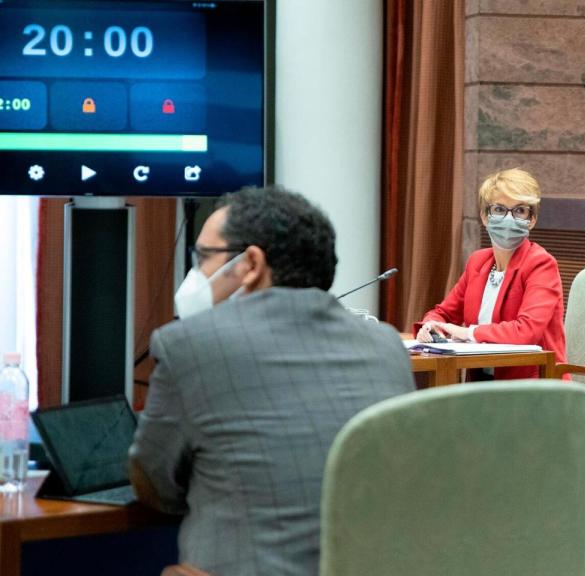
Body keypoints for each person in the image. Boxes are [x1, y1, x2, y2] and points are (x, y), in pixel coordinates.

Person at [129, 187, 415, 576]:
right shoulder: (385, 344)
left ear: (250, 264)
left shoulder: (189, 345)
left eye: (204, 258)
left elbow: (155, 485)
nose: (195, 274)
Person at [414, 168, 566, 379]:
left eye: (520, 211)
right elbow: (443, 314)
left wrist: (468, 333)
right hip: (483, 384)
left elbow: (527, 330)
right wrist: (430, 326)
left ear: (532, 219)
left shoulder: (540, 264)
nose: (509, 218)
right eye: (499, 210)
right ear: (485, 216)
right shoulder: (478, 262)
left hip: (533, 387)